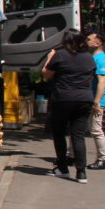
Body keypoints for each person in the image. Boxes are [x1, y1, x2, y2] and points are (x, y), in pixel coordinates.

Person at [42, 29, 95, 183]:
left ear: (65, 41)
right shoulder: (89, 58)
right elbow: (91, 78)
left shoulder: (60, 55)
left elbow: (46, 75)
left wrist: (49, 59)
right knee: (78, 135)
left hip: (63, 98)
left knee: (59, 133)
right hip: (84, 98)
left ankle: (63, 167)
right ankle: (81, 172)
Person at [86, 30, 105, 170]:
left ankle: (103, 159)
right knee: (77, 128)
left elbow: (102, 82)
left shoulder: (101, 59)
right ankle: (71, 155)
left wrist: (96, 103)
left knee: (96, 130)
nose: (87, 41)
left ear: (98, 43)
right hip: (88, 99)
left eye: (89, 39)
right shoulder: (93, 57)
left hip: (96, 101)